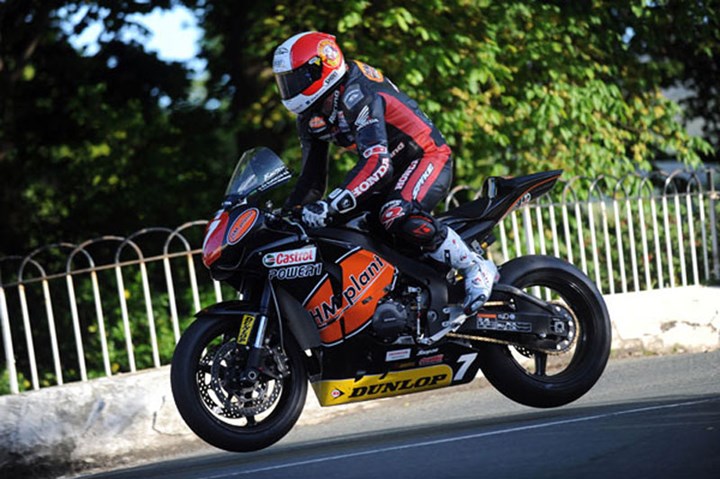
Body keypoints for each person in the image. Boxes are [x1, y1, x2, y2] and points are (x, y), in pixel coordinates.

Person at [273, 31, 497, 314]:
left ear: (322, 66)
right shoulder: (310, 117)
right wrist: (289, 214)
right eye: (284, 82)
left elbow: (377, 163)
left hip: (426, 155)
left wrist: (330, 204)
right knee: (346, 225)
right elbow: (311, 179)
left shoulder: (356, 93)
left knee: (394, 212)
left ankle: (474, 266)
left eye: (295, 79)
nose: (289, 88)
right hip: (391, 167)